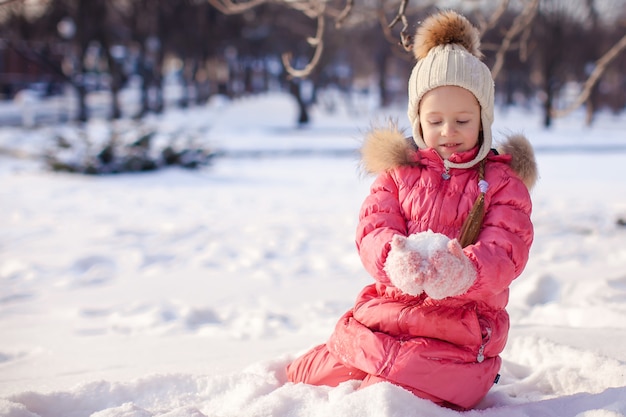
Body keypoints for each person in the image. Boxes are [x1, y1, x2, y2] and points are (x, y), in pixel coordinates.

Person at [286, 9, 539, 410]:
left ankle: (381, 387)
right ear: (418, 119)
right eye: (435, 119)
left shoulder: (502, 184)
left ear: (483, 120)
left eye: (462, 119)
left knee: (420, 383)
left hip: (459, 328)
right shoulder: (399, 174)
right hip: (388, 312)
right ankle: (366, 375)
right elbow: (373, 227)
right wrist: (392, 258)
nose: (448, 131)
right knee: (309, 374)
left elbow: (508, 247)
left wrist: (466, 270)